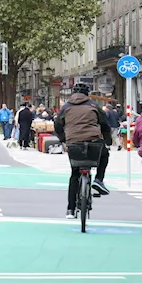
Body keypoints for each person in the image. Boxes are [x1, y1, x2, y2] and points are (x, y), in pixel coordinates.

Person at [54, 83, 112, 219]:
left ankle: (70, 209)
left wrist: (64, 139)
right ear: (87, 94)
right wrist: (108, 142)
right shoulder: (93, 105)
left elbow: (57, 125)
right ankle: (98, 180)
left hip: (73, 143)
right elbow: (105, 125)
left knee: (74, 174)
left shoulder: (66, 107)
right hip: (93, 141)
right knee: (104, 155)